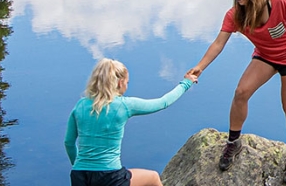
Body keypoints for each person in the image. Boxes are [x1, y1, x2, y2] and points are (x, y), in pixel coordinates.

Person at [185, 0, 286, 185]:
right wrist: (200, 67)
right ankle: (233, 142)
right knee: (241, 93)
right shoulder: (235, 15)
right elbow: (219, 43)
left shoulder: (278, 2)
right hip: (265, 56)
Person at [66, 58, 196, 186]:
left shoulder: (80, 105)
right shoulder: (124, 105)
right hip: (110, 177)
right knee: (153, 178)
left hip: (79, 176)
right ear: (119, 83)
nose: (127, 86)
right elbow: (163, 102)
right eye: (127, 82)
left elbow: (69, 143)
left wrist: (81, 167)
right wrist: (186, 83)